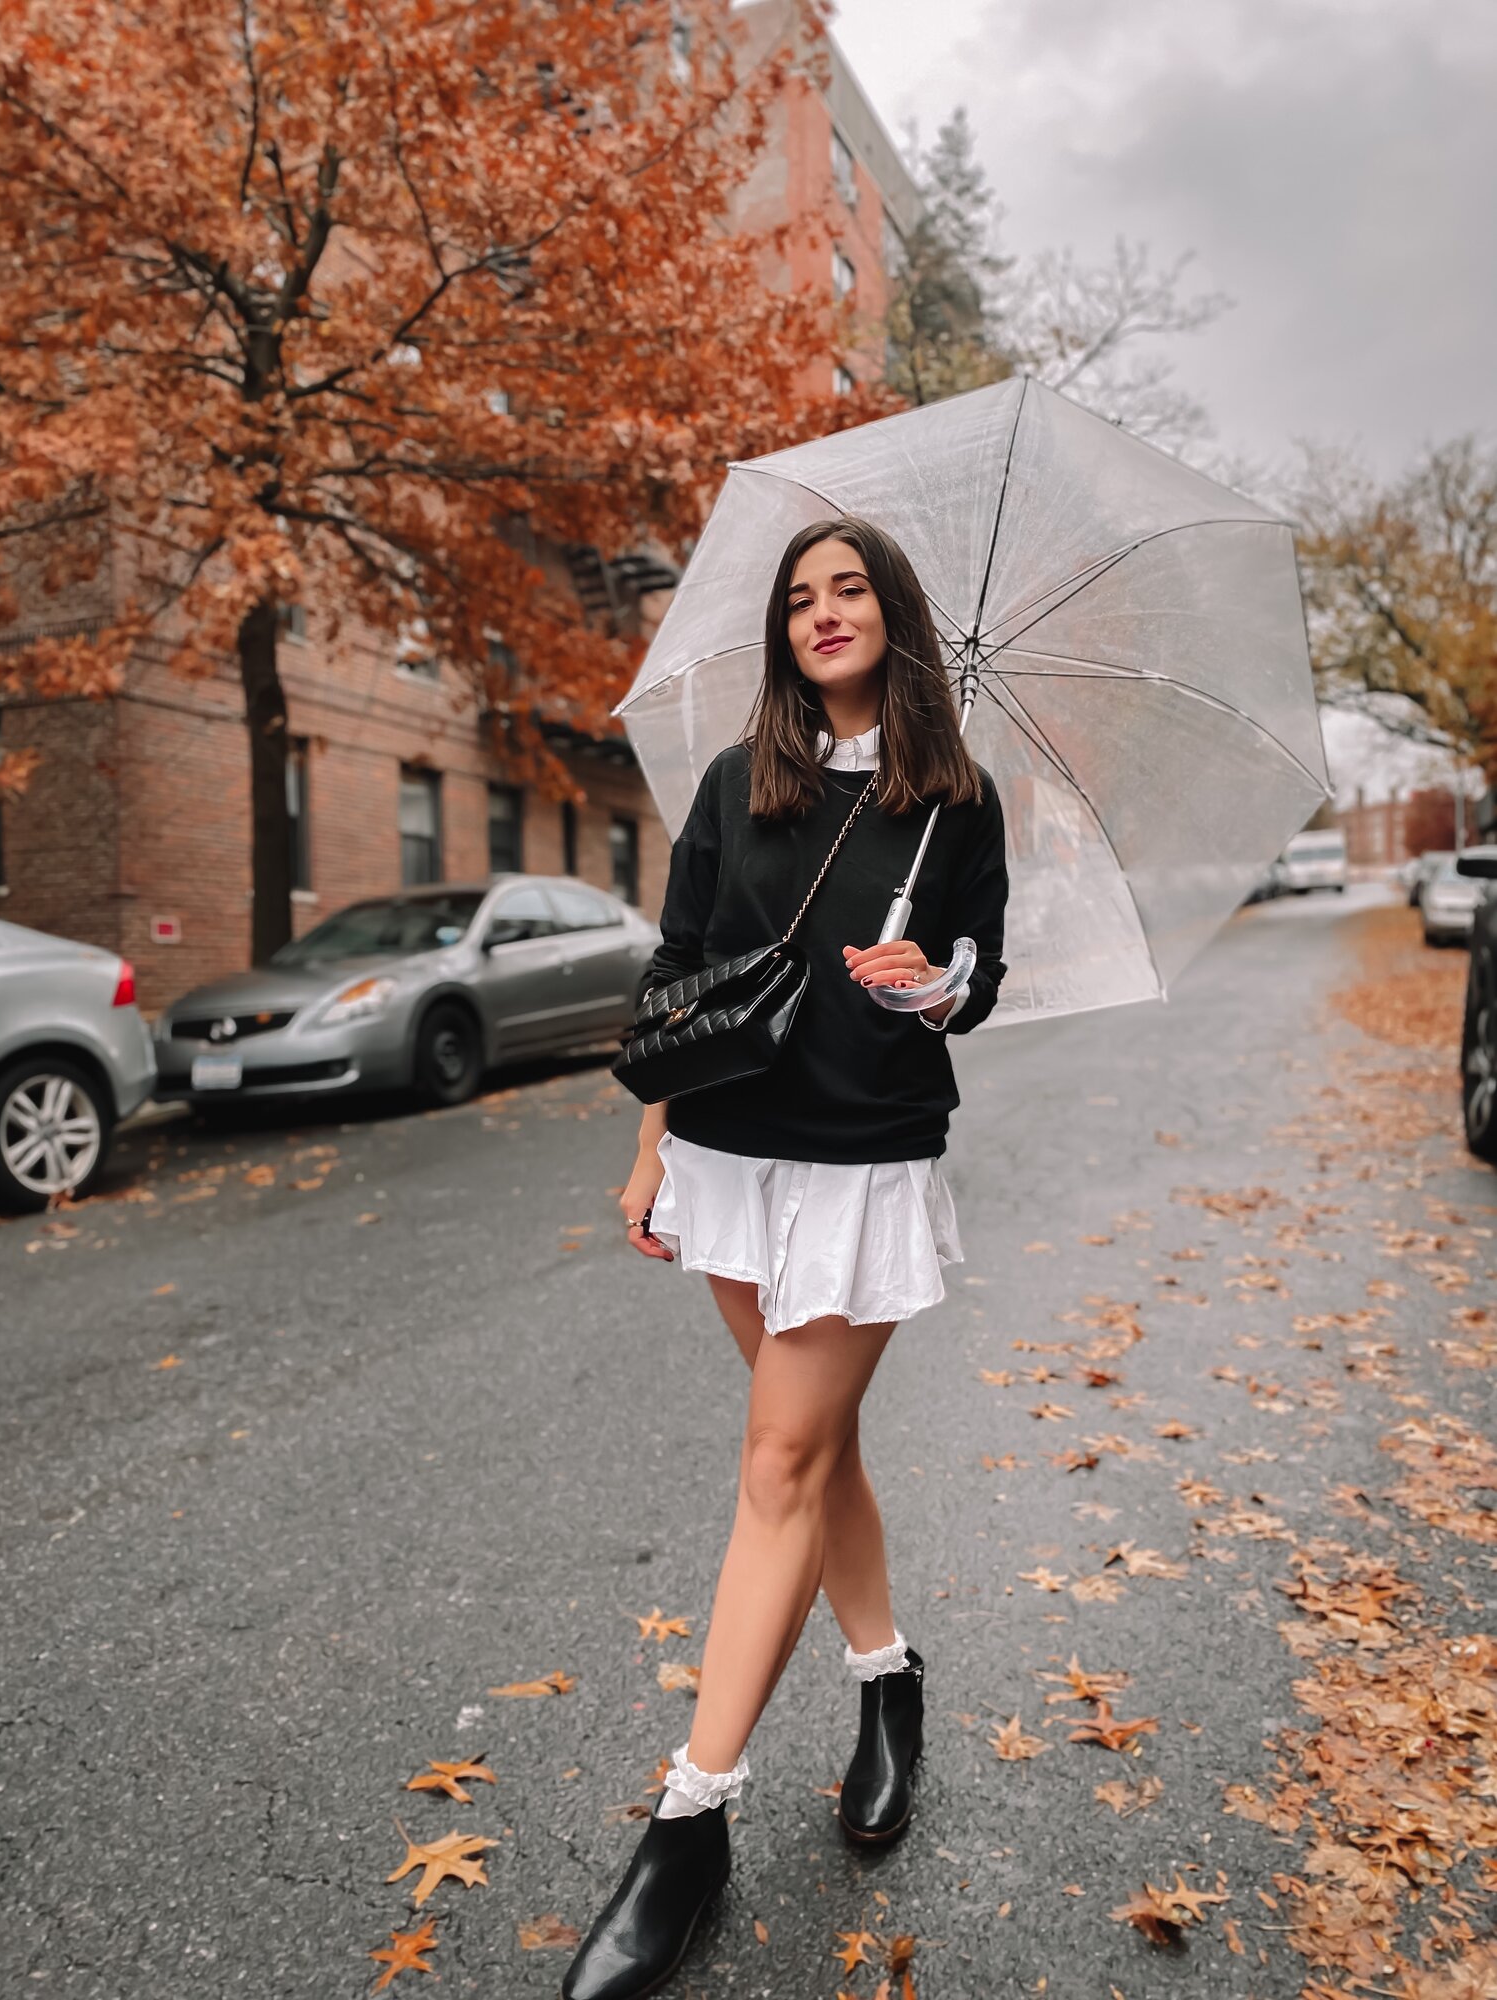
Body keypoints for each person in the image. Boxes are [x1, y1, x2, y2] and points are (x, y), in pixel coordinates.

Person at [561, 516, 1010, 2000]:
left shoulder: (953, 800)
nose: (825, 612)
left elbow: (981, 976)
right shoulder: (733, 786)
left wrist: (931, 984)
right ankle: (889, 1680)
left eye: (851, 589)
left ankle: (691, 1820)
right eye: (802, 597)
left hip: (866, 1158)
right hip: (730, 1161)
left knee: (776, 1464)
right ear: (783, 631)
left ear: (895, 617)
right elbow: (678, 971)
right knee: (814, 1453)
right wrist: (649, 1152)